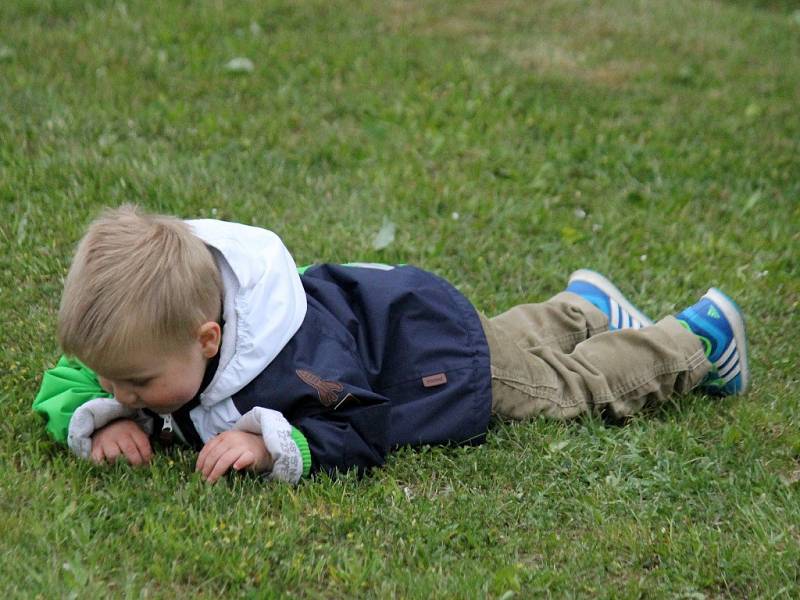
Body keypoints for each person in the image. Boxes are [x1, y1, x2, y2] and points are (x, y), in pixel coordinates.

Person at [32, 205, 750, 484]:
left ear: (209, 338)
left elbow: (363, 425)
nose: (118, 394)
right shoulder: (146, 337)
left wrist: (272, 444)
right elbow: (70, 378)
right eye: (114, 383)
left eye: (135, 385)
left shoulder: (301, 362)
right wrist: (101, 418)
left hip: (428, 364)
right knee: (505, 340)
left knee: (559, 387)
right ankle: (584, 306)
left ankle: (695, 343)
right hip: (413, 319)